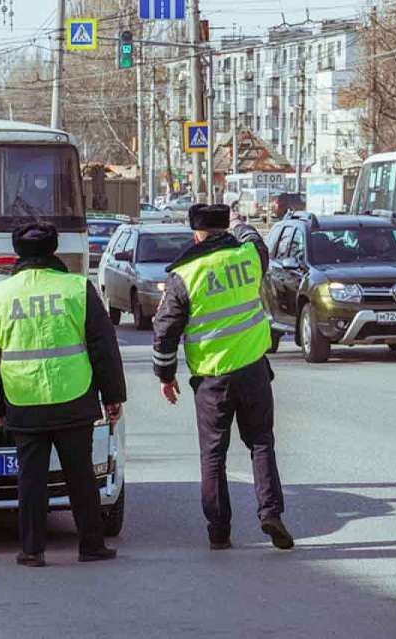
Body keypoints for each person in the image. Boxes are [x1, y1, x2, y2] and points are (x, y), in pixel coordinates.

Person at [0, 223, 127, 568]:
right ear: (54, 250)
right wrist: (112, 396)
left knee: (31, 479)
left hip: (24, 400)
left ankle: (32, 550)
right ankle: (91, 545)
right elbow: (103, 346)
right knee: (81, 476)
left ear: (18, 253)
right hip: (73, 396)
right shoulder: (77, 288)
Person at [152, 204, 294, 552]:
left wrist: (165, 375)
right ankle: (270, 512)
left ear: (196, 235)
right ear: (224, 230)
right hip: (253, 369)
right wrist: (240, 225)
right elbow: (256, 241)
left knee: (213, 455)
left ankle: (218, 531)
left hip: (212, 379)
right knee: (261, 442)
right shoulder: (247, 257)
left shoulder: (185, 274)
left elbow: (165, 331)